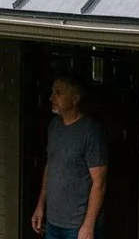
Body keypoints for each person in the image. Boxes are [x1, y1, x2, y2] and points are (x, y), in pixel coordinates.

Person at [32, 76, 108, 239]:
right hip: (53, 222)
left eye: (58, 93)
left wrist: (88, 225)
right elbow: (50, 167)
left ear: (75, 99)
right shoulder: (54, 126)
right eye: (52, 92)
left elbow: (99, 182)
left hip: (78, 226)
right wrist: (40, 206)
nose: (51, 97)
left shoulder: (91, 132)